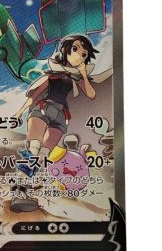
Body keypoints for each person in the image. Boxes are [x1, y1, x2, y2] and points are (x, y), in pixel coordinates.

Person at [10, 34, 112, 213]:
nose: (80, 55)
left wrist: (83, 74)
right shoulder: (52, 75)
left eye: (84, 54)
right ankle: (18, 193)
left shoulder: (77, 78)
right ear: (65, 51)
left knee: (43, 156)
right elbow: (34, 95)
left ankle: (25, 191)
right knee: (33, 150)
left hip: (60, 117)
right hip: (42, 109)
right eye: (75, 49)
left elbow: (91, 94)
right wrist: (19, 113)